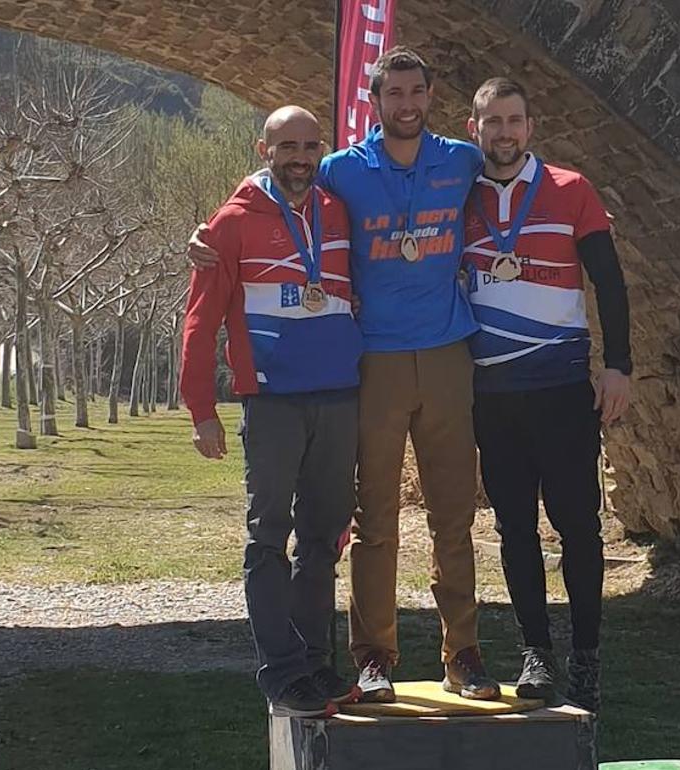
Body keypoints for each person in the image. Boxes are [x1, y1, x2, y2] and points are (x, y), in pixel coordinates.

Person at [188, 48, 501, 704]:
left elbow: (512, 167)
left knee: (450, 515)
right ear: (376, 102)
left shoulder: (462, 159)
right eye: (395, 93)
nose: (407, 104)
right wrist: (209, 237)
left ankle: (462, 653)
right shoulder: (340, 172)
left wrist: (587, 230)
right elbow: (275, 183)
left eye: (417, 92)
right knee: (371, 520)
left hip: (442, 352)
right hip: (369, 365)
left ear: (432, 96)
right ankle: (372, 658)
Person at [180, 106, 363, 718]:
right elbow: (201, 319)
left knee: (323, 537)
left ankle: (315, 661)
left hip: (337, 395)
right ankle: (281, 670)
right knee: (268, 538)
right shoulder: (231, 224)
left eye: (311, 145)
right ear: (264, 149)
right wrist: (201, 408)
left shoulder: (338, 211)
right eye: (288, 145)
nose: (300, 157)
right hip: (273, 400)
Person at [462, 77, 632, 713]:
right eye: (492, 121)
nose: (503, 133)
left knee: (579, 528)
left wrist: (619, 366)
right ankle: (536, 652)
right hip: (492, 394)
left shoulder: (570, 189)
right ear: (473, 126)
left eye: (514, 120)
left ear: (530, 126)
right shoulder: (459, 195)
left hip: (562, 390)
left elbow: (609, 282)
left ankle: (587, 655)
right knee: (513, 528)